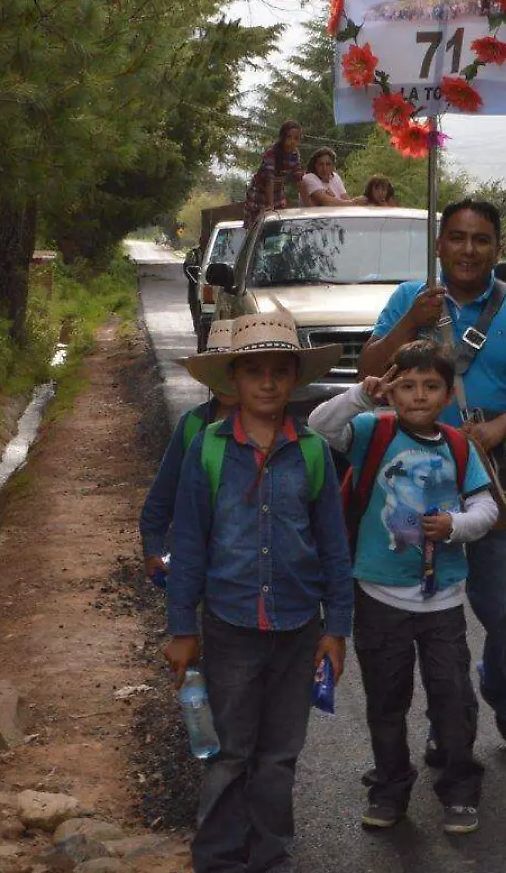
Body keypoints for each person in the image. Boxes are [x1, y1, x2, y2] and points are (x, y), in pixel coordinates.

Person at [359, 200, 506, 749]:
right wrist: (411, 324)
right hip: (416, 482)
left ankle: (504, 686)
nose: (468, 250)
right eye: (456, 238)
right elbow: (368, 372)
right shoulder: (410, 299)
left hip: (491, 477)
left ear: (498, 248)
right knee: (426, 620)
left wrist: (498, 430)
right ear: (440, 245)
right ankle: (447, 722)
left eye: (480, 240)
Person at [164, 310, 353, 873]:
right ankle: (218, 857)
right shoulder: (210, 450)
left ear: (294, 378)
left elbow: (333, 547)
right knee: (228, 753)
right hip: (230, 628)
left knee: (278, 756)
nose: (267, 383)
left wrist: (336, 628)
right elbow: (190, 544)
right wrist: (181, 628)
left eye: (279, 371)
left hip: (297, 629)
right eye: (254, 372)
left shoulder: (314, 452)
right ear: (233, 381)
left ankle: (271, 856)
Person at [308, 340, 497, 836]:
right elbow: (318, 426)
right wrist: (360, 396)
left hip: (444, 601)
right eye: (407, 386)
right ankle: (389, 790)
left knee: (451, 699)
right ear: (392, 390)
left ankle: (459, 790)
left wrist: (455, 525)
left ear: (448, 393)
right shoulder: (373, 431)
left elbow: (488, 509)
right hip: (379, 597)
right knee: (386, 702)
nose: (418, 396)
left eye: (431, 386)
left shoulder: (459, 445)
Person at [139, 318, 238, 583]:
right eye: (214, 373)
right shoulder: (192, 424)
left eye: (231, 373)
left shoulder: (278, 433)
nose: (223, 382)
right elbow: (165, 490)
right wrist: (153, 547)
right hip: (197, 559)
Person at [244, 121, 305, 228]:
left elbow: (299, 179)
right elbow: (269, 179)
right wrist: (270, 205)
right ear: (282, 138)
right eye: (289, 137)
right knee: (256, 224)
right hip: (259, 193)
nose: (292, 142)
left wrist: (308, 205)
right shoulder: (272, 152)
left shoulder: (295, 155)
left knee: (277, 225)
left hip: (277, 192)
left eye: (296, 139)